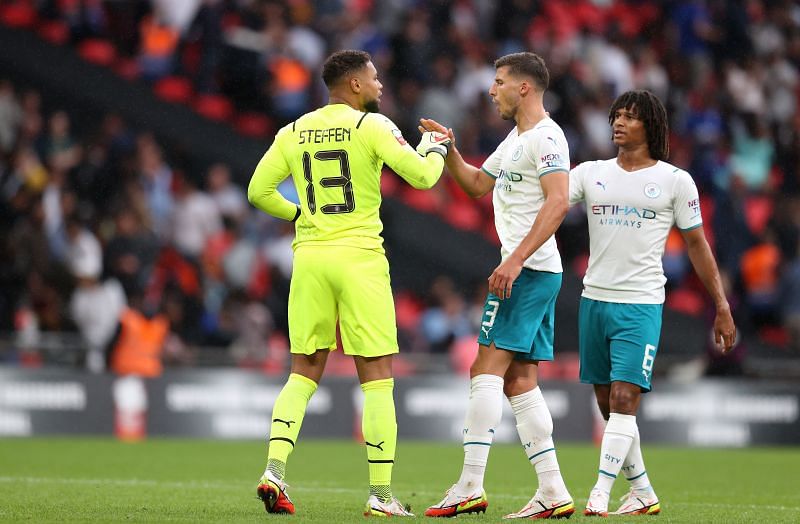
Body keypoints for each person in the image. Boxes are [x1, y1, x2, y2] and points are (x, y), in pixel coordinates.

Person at [247, 49, 451, 517]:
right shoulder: (372, 126)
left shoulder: (293, 131)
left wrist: (298, 212)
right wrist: (435, 147)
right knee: (377, 380)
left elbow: (258, 191)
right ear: (355, 84)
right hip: (360, 259)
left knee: (303, 371)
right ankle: (380, 496)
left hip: (311, 260)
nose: (380, 86)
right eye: (374, 78)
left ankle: (274, 469)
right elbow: (422, 177)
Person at [568, 90, 736, 516]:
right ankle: (642, 490)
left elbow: (697, 245)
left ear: (651, 127)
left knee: (625, 399)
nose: (618, 123)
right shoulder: (590, 173)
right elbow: (550, 202)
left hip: (641, 304)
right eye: (616, 116)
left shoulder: (675, 181)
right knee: (608, 404)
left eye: (629, 117)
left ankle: (600, 493)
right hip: (594, 300)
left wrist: (721, 305)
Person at [422, 52, 574, 519]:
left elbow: (559, 202)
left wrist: (515, 258)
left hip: (527, 271)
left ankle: (469, 484)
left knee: (483, 370)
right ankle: (553, 490)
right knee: (518, 379)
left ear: (524, 87)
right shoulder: (515, 139)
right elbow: (474, 184)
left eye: (500, 81)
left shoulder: (546, 138)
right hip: (537, 270)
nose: (492, 89)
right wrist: (449, 150)